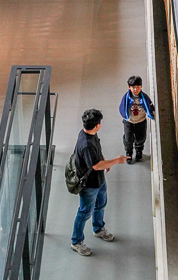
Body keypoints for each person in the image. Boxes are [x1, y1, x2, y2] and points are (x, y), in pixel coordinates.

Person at [71, 109, 128, 256]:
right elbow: (95, 165)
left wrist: (105, 162)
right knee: (84, 212)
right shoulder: (86, 145)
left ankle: (98, 229)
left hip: (98, 180)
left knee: (101, 204)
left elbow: (98, 159)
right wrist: (116, 160)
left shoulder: (88, 133)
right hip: (89, 185)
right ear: (97, 125)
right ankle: (76, 242)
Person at [118, 76, 156, 164]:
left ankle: (139, 151)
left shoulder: (144, 97)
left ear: (141, 86)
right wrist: (125, 117)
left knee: (141, 138)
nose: (135, 89)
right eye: (133, 87)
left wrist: (151, 114)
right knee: (128, 139)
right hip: (129, 122)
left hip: (141, 121)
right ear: (129, 87)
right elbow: (122, 107)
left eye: (138, 87)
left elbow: (150, 107)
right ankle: (129, 153)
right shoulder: (126, 98)